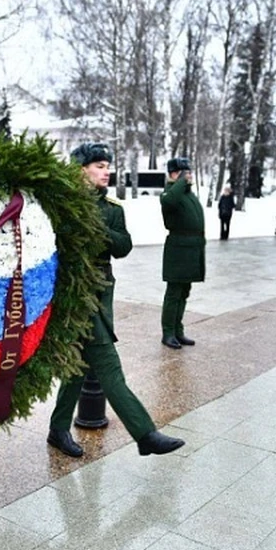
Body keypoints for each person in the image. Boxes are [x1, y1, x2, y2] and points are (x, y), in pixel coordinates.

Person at [47, 143, 185, 459]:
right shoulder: (62, 205)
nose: (106, 170)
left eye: (107, 165)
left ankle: (57, 429)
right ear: (80, 169)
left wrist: (99, 231)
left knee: (78, 367)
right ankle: (145, 433)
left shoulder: (112, 209)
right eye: (98, 165)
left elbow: (123, 246)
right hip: (73, 293)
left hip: (100, 290)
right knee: (107, 363)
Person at [160, 156, 205, 349]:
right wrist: (179, 182)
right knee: (174, 292)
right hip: (178, 250)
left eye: (189, 172)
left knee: (184, 292)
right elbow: (169, 202)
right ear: (173, 175)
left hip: (192, 249)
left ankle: (178, 330)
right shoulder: (170, 193)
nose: (189, 176)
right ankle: (168, 332)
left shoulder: (187, 194)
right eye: (184, 172)